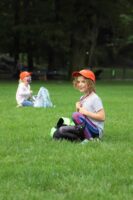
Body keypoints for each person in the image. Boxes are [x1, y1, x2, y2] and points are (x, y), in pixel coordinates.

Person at [72, 69, 105, 143]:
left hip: (96, 129)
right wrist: (77, 107)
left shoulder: (95, 98)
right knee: (62, 131)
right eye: (78, 82)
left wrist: (86, 112)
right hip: (87, 126)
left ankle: (90, 139)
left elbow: (102, 117)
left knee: (75, 115)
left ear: (90, 83)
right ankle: (85, 136)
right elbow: (80, 116)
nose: (80, 84)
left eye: (83, 81)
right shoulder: (82, 98)